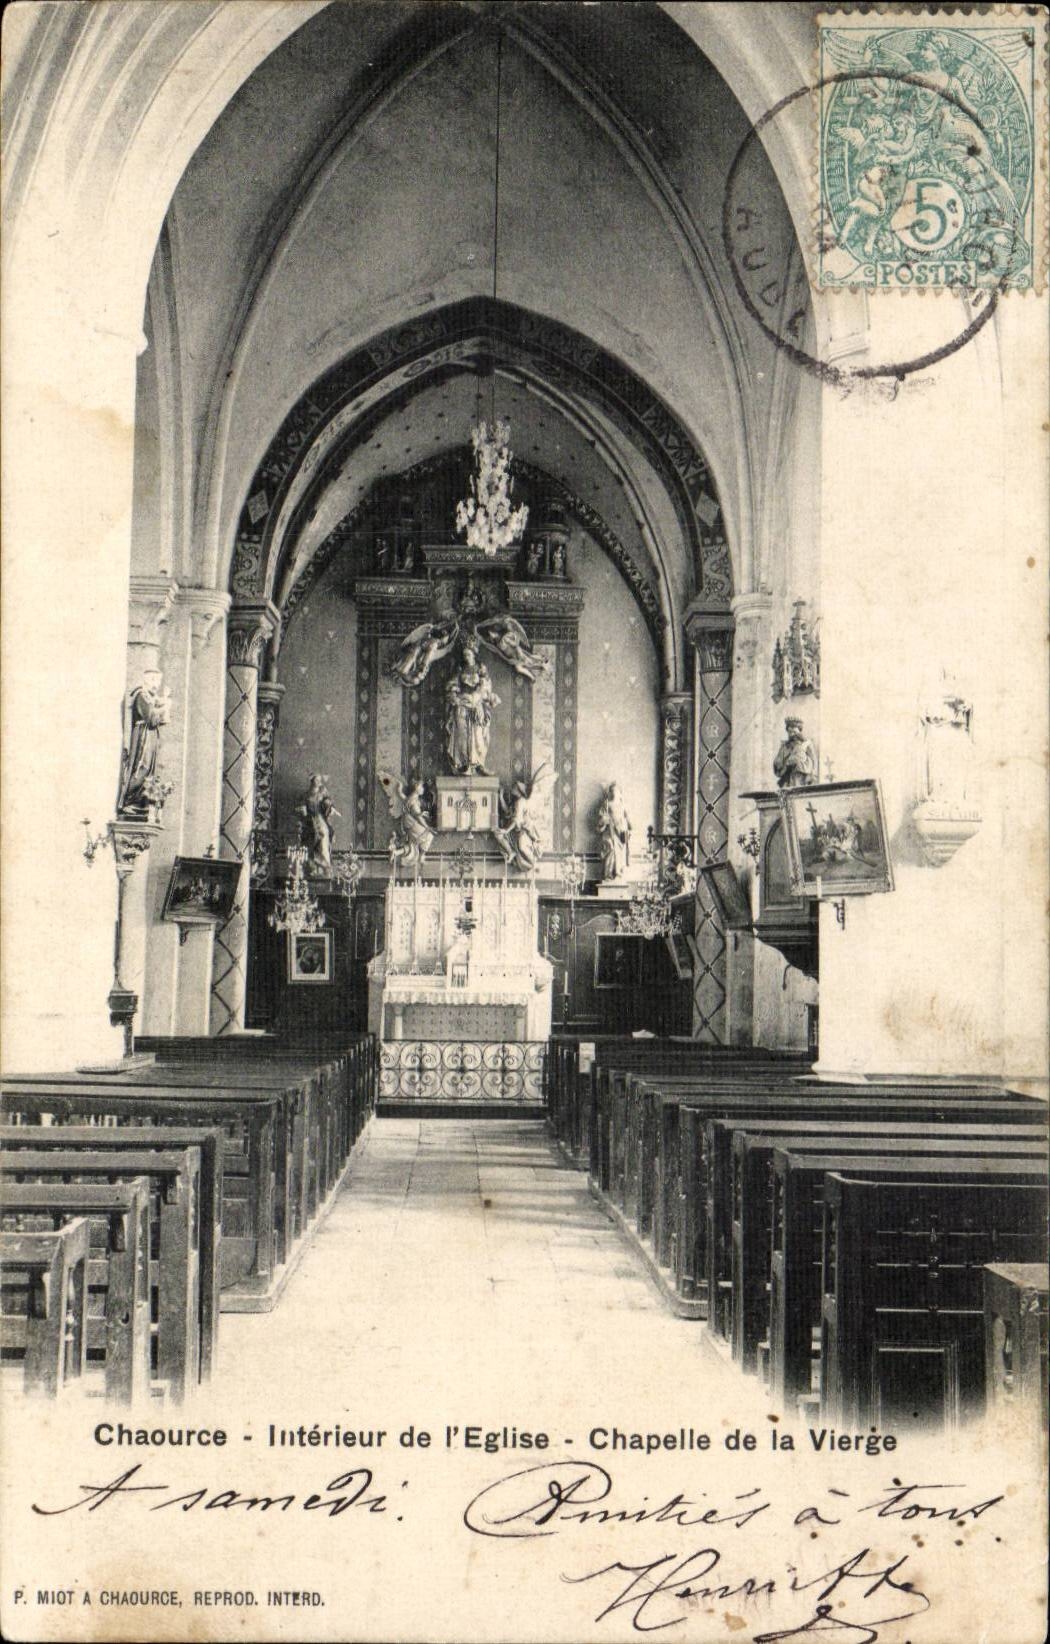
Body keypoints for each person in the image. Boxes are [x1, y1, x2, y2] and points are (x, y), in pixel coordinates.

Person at [116, 669, 171, 817]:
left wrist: (163, 703)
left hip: (151, 734)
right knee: (142, 765)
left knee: (150, 768)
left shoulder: (151, 697)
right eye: (154, 681)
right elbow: (151, 717)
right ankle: (129, 801)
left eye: (158, 681)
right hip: (142, 735)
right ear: (147, 680)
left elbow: (161, 720)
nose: (156, 685)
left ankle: (140, 802)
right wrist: (165, 705)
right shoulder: (141, 695)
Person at [445, 644, 499, 774]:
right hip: (462, 705)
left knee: (478, 735)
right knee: (462, 736)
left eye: (468, 654)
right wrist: (454, 696)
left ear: (474, 654)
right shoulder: (460, 669)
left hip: (476, 704)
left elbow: (485, 686)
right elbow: (452, 685)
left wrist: (476, 697)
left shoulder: (481, 669)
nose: (466, 657)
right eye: (464, 655)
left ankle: (479, 764)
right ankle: (463, 765)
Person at [295, 774, 339, 873]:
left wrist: (329, 807)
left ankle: (325, 864)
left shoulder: (323, 793)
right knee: (311, 837)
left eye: (319, 780)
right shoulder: (305, 795)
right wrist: (302, 809)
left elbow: (328, 803)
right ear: (312, 781)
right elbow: (300, 806)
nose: (318, 782)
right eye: (316, 780)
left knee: (323, 835)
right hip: (309, 820)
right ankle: (313, 864)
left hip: (320, 819)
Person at [597, 781, 631, 880]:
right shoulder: (607, 804)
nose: (614, 792)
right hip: (609, 832)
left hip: (620, 832)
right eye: (612, 790)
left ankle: (617, 874)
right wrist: (604, 820)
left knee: (619, 853)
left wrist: (627, 827)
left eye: (616, 790)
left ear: (620, 792)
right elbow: (602, 818)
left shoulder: (623, 805)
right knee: (610, 849)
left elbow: (628, 820)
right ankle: (607, 875)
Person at [773, 718, 818, 790]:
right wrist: (782, 763)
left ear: (799, 732)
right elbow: (777, 763)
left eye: (794, 732)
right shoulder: (784, 746)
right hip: (787, 778)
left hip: (801, 777)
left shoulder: (806, 743)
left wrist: (812, 775)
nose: (791, 734)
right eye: (789, 732)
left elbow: (814, 760)